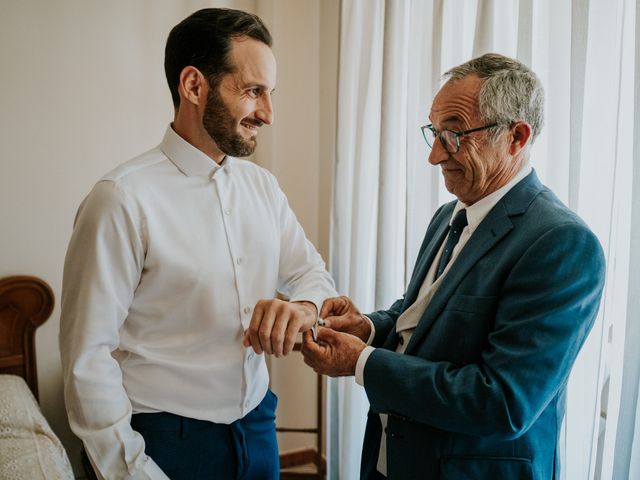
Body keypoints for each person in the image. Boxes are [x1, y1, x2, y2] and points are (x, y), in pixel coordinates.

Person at [60, 8, 335, 480]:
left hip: (258, 428)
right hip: (164, 446)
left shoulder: (263, 188)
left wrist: (305, 309)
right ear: (193, 86)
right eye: (253, 92)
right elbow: (87, 360)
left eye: (270, 94)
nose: (268, 114)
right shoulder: (121, 200)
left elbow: (315, 275)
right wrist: (132, 470)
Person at [302, 53, 606, 479]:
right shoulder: (448, 215)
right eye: (434, 132)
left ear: (516, 137)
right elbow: (424, 316)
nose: (433, 156)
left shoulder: (562, 243)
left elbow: (502, 401)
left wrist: (362, 362)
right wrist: (369, 328)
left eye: (454, 134)